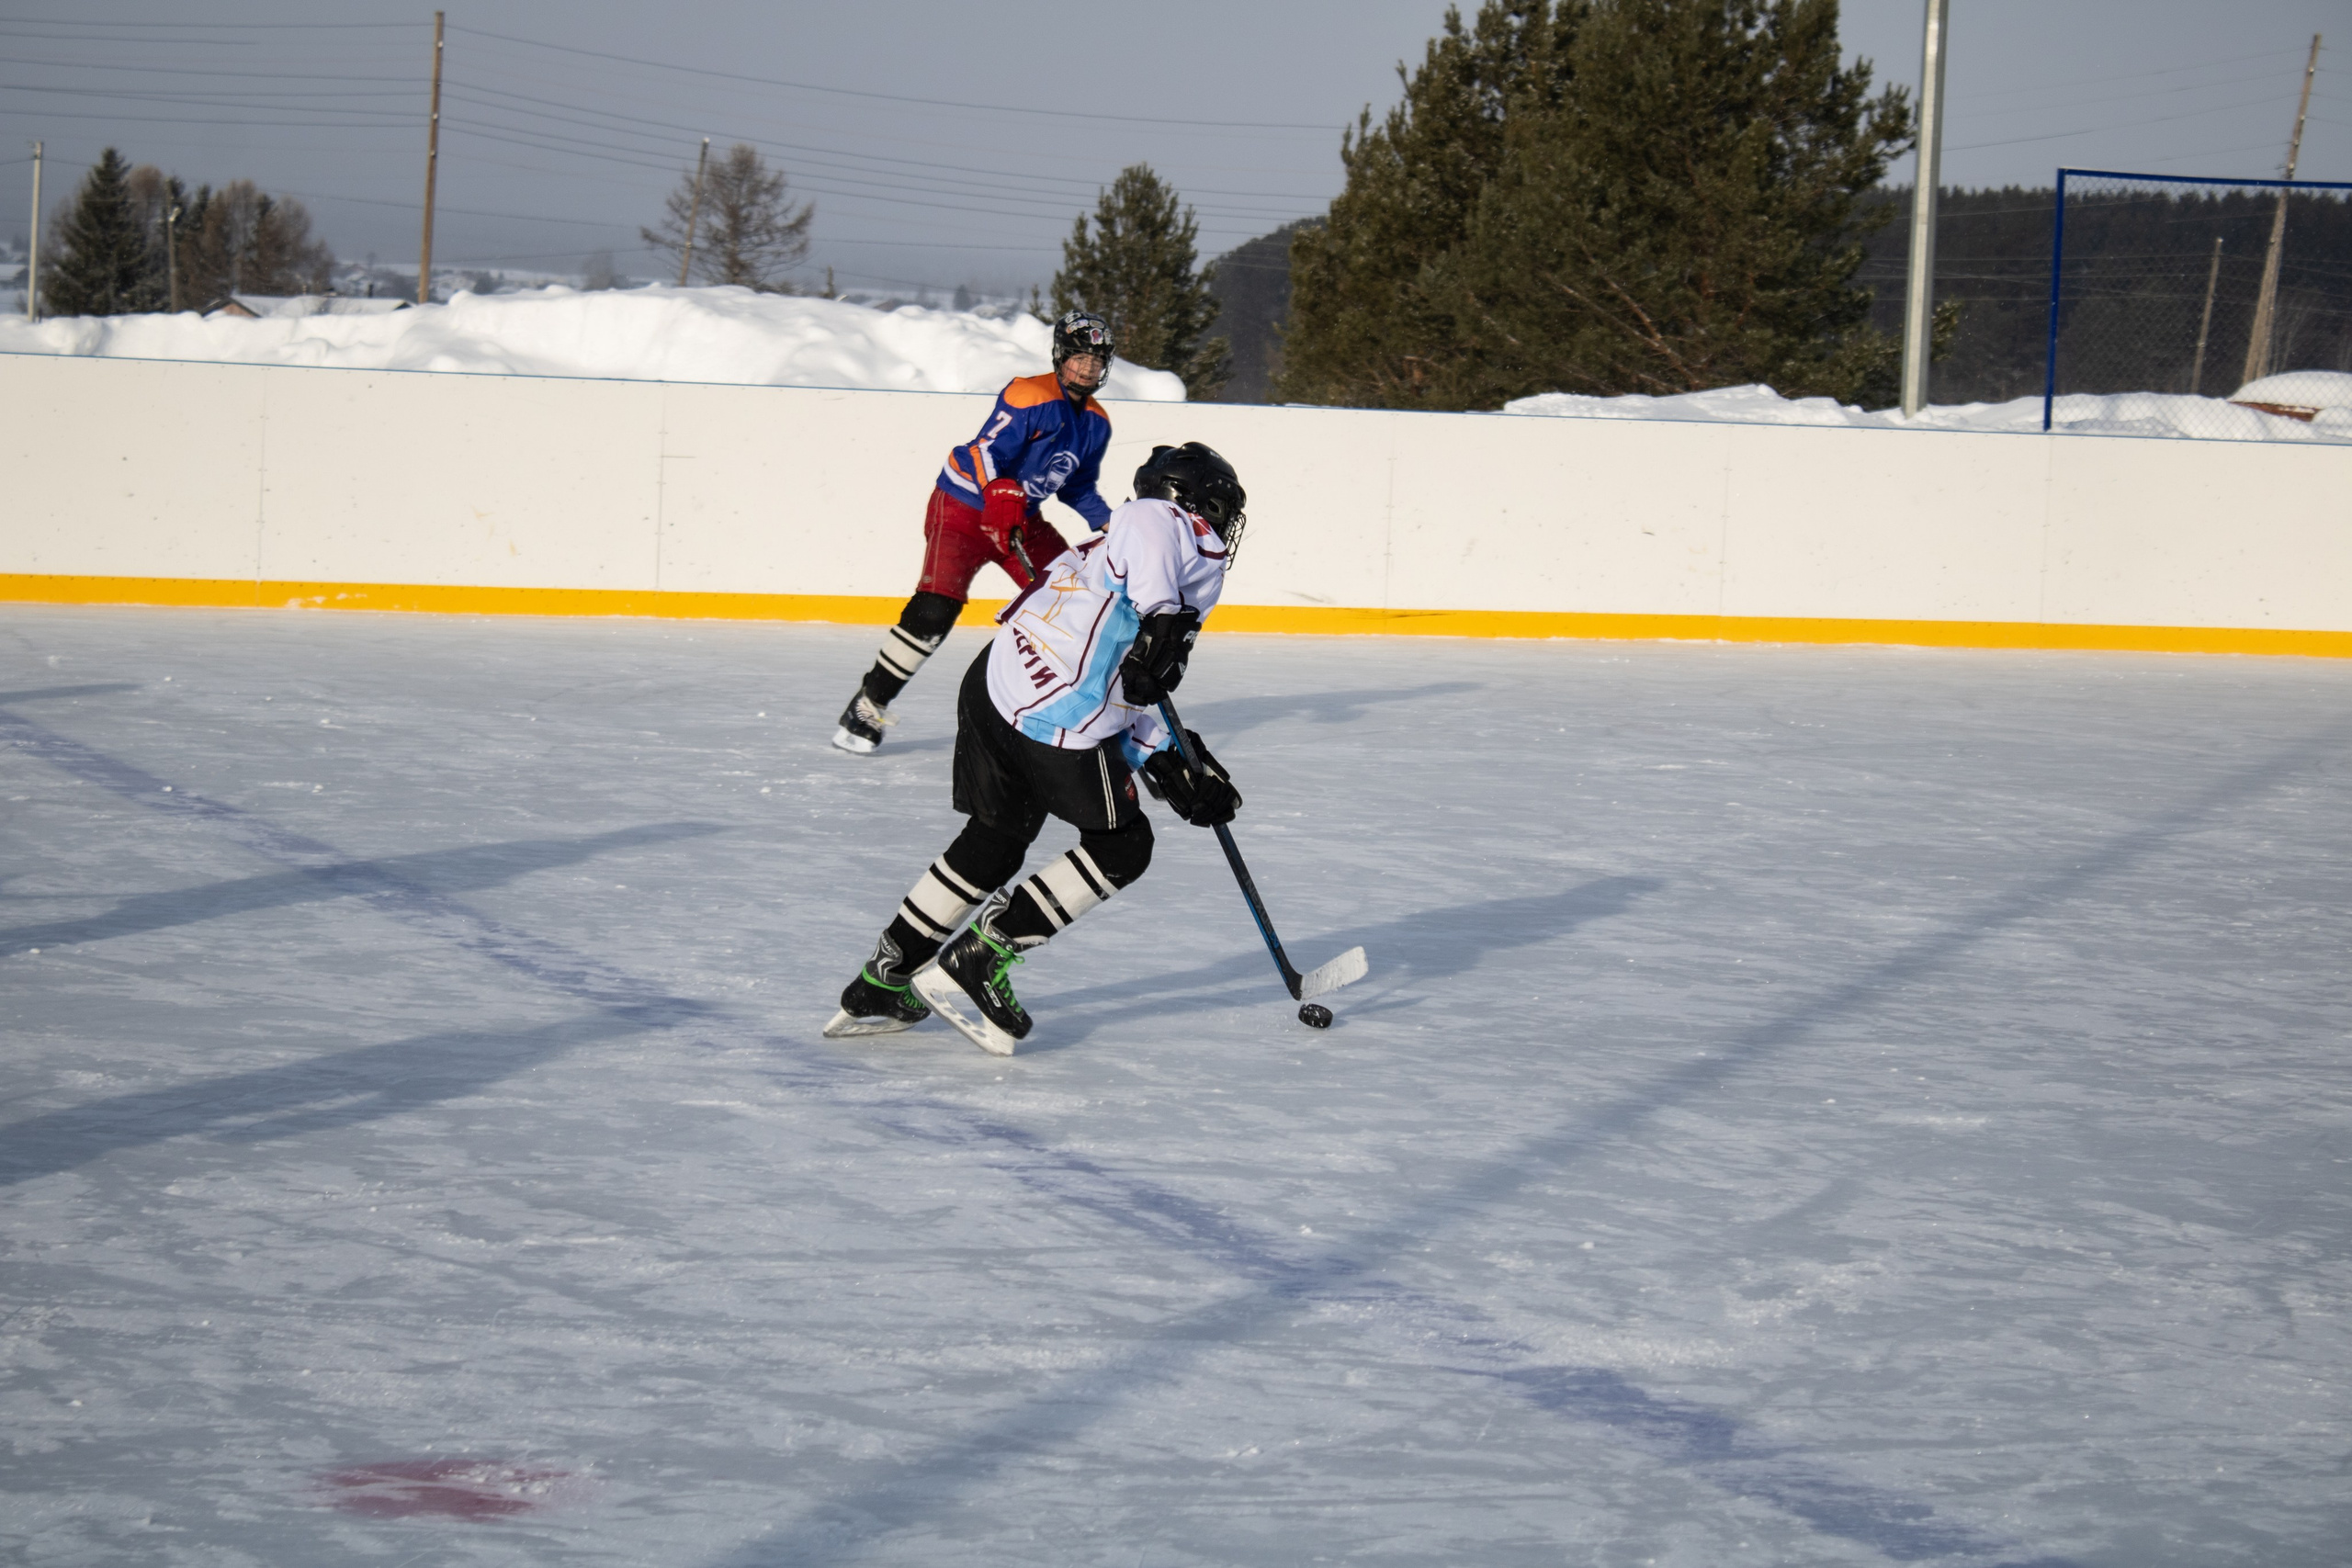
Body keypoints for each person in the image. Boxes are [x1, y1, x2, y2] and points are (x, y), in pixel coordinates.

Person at [823, 443, 1250, 1055]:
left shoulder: (1122, 547)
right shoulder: (1160, 523)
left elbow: (1117, 674)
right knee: (1124, 846)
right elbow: (1149, 545)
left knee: (995, 840)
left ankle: (883, 976)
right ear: (1191, 501)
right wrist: (1163, 623)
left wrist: (1162, 751)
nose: (1221, 528)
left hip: (996, 685)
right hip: (1052, 719)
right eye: (1217, 510)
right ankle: (979, 958)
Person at [832, 310, 1119, 754]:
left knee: (1073, 603)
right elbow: (983, 450)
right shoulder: (1029, 393)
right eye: (1080, 357)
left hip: (1020, 515)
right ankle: (868, 705)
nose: (1087, 368)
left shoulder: (1097, 424)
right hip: (966, 504)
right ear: (1061, 355)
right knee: (935, 609)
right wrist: (1000, 490)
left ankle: (1077, 715)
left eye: (1096, 361)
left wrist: (1111, 524)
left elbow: (1077, 486)